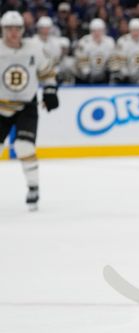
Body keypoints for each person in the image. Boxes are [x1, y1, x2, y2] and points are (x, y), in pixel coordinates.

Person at [0, 10, 59, 211]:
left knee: (25, 146)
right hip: (0, 106)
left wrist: (50, 90)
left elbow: (47, 71)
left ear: (23, 30)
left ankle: (33, 186)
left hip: (26, 105)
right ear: (3, 30)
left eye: (17, 29)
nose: (13, 33)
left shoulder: (34, 48)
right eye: (9, 29)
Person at [110, 18, 139, 85]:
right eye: (134, 30)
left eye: (138, 30)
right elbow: (120, 61)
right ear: (130, 30)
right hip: (125, 72)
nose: (136, 33)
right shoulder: (123, 41)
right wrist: (125, 73)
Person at [75, 18, 115, 84]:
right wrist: (87, 72)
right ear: (90, 31)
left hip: (104, 73)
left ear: (104, 30)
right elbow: (80, 59)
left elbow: (113, 60)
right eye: (94, 31)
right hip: (87, 75)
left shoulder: (110, 41)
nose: (97, 33)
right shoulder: (84, 41)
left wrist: (110, 70)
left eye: (99, 30)